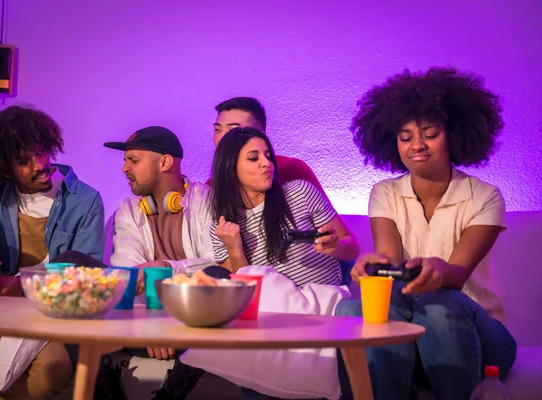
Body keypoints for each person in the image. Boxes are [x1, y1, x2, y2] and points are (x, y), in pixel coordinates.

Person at [335, 67, 517, 400]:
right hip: (415, 333)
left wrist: (437, 268)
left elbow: (457, 276)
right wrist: (372, 268)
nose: (416, 144)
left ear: (455, 134)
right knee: (351, 310)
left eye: (429, 133)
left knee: (439, 302)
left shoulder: (484, 197)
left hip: (482, 335)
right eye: (405, 136)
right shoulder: (385, 193)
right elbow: (389, 261)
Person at [0, 105, 105, 400]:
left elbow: (86, 269)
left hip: (45, 310)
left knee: (52, 371)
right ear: (5, 167)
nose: (40, 164)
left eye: (42, 151)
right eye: (24, 161)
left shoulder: (85, 200)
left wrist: (25, 284)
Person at [103, 126, 215, 399]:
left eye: (134, 160)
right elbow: (129, 277)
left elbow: (216, 269)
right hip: (144, 329)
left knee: (214, 319)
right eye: (125, 160)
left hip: (193, 325)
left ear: (165, 162)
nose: (124, 169)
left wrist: (166, 267)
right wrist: (153, 327)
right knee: (76, 267)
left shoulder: (207, 201)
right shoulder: (128, 211)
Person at [210, 126, 359, 283]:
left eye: (268, 156)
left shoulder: (300, 192)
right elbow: (245, 293)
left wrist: (336, 247)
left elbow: (353, 248)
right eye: (254, 158)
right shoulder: (222, 228)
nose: (266, 163)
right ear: (230, 168)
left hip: (324, 301)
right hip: (272, 306)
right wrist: (235, 250)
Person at [210, 97, 327, 194]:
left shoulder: (291, 169)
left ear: (260, 135)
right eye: (217, 130)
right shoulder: (210, 187)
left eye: (233, 130)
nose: (222, 138)